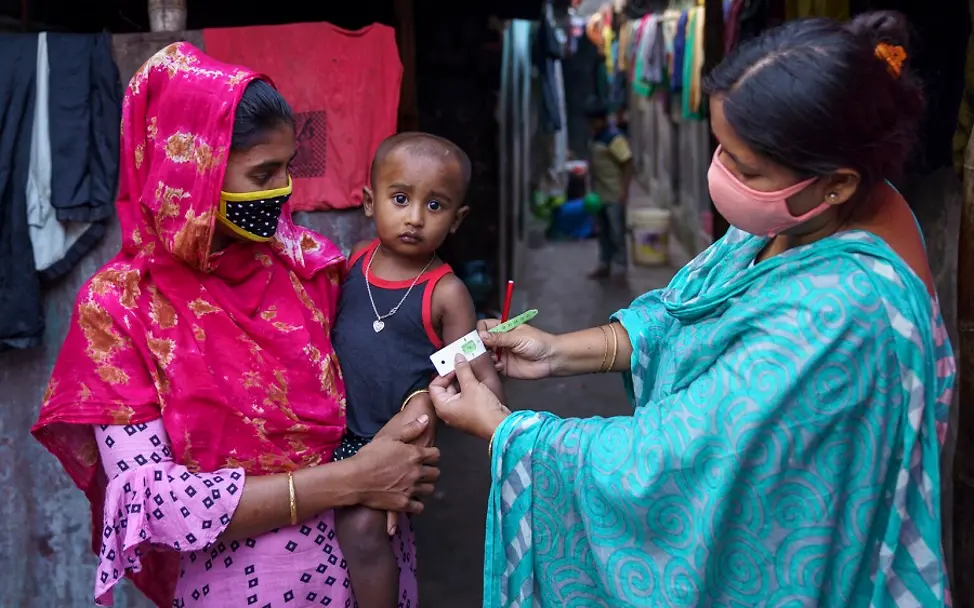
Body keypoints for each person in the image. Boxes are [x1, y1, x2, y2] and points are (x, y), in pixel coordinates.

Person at [428, 12, 955, 607]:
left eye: (745, 168)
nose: (722, 173)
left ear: (836, 181)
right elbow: (684, 316)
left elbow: (676, 461)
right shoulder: (793, 215)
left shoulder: (845, 310)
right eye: (721, 148)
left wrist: (505, 430)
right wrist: (557, 352)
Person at [31, 43, 439, 608]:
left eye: (288, 168)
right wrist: (354, 479)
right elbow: (152, 505)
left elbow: (393, 361)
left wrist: (418, 414)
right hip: (244, 589)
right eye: (263, 173)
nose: (284, 189)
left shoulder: (310, 266)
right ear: (194, 172)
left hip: (372, 568)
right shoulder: (120, 309)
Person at [331, 133, 505, 607]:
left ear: (456, 220)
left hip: (397, 434)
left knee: (363, 528)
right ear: (370, 202)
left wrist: (500, 427)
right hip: (338, 429)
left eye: (434, 205)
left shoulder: (445, 293)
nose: (414, 218)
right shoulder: (355, 262)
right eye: (401, 199)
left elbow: (471, 368)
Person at [586, 100, 633, 280]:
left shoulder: (614, 138)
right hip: (599, 194)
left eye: (595, 121)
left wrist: (624, 190)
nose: (592, 124)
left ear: (603, 119)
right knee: (603, 232)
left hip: (614, 193)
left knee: (616, 232)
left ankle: (620, 268)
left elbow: (627, 162)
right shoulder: (596, 137)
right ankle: (604, 265)